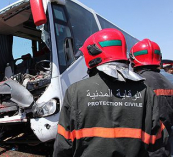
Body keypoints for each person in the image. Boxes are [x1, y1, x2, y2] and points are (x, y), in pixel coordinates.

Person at [53, 29, 168, 157]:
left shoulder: (75, 91)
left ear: (92, 54)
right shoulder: (145, 92)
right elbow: (157, 147)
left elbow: (63, 145)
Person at [129, 39, 173, 156]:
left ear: (133, 59)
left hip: (142, 149)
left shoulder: (133, 83)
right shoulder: (169, 81)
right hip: (165, 148)